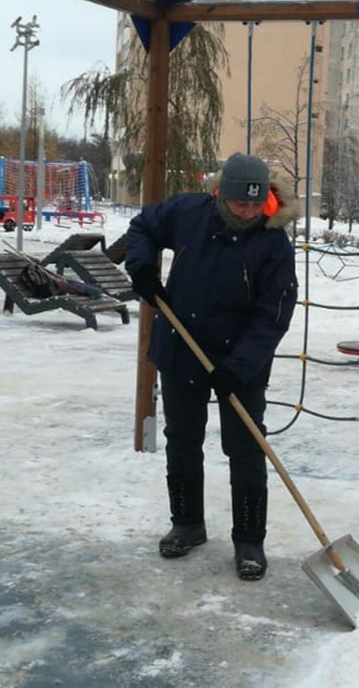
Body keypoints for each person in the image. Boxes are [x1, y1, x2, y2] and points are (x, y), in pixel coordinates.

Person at [123, 153, 298, 581]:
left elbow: (273, 313)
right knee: (182, 439)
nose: (248, 212)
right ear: (222, 195)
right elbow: (143, 226)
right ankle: (186, 523)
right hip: (182, 347)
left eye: (256, 205)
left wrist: (238, 367)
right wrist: (142, 267)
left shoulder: (273, 243)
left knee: (245, 446)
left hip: (242, 362)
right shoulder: (188, 212)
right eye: (240, 204)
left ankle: (249, 539)